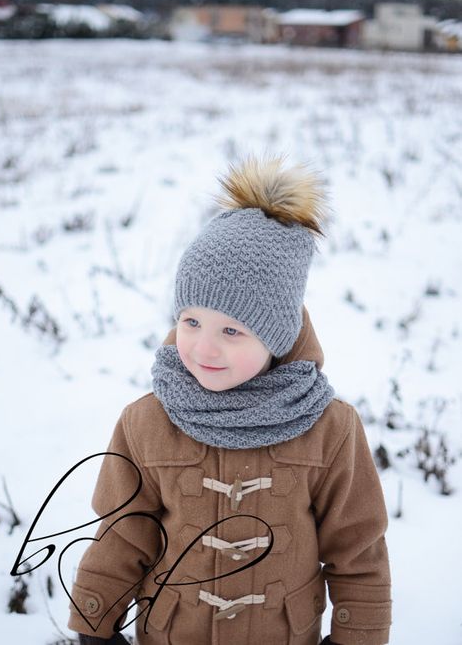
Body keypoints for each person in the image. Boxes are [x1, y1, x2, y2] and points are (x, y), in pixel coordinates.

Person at [67, 153, 392, 645]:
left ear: (276, 337)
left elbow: (358, 548)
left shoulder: (328, 428)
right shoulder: (147, 422)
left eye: (232, 330)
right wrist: (95, 622)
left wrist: (359, 635)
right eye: (191, 322)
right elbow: (121, 531)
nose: (203, 347)